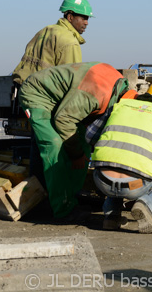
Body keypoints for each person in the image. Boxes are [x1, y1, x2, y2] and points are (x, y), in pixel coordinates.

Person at [18, 62, 129, 219]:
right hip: (37, 95)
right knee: (54, 145)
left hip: (64, 101)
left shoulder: (118, 85)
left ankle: (70, 197)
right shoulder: (94, 95)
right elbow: (63, 120)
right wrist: (76, 155)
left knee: (83, 143)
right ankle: (63, 209)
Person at [86, 82, 152, 233]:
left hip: (102, 180)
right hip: (135, 185)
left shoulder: (120, 106)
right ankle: (145, 204)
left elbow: (89, 136)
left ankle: (111, 217)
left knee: (117, 165)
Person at [12, 0, 93, 85]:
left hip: (23, 89)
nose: (86, 23)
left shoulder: (44, 31)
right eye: (83, 18)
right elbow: (72, 81)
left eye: (87, 19)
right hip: (43, 94)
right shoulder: (70, 42)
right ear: (70, 17)